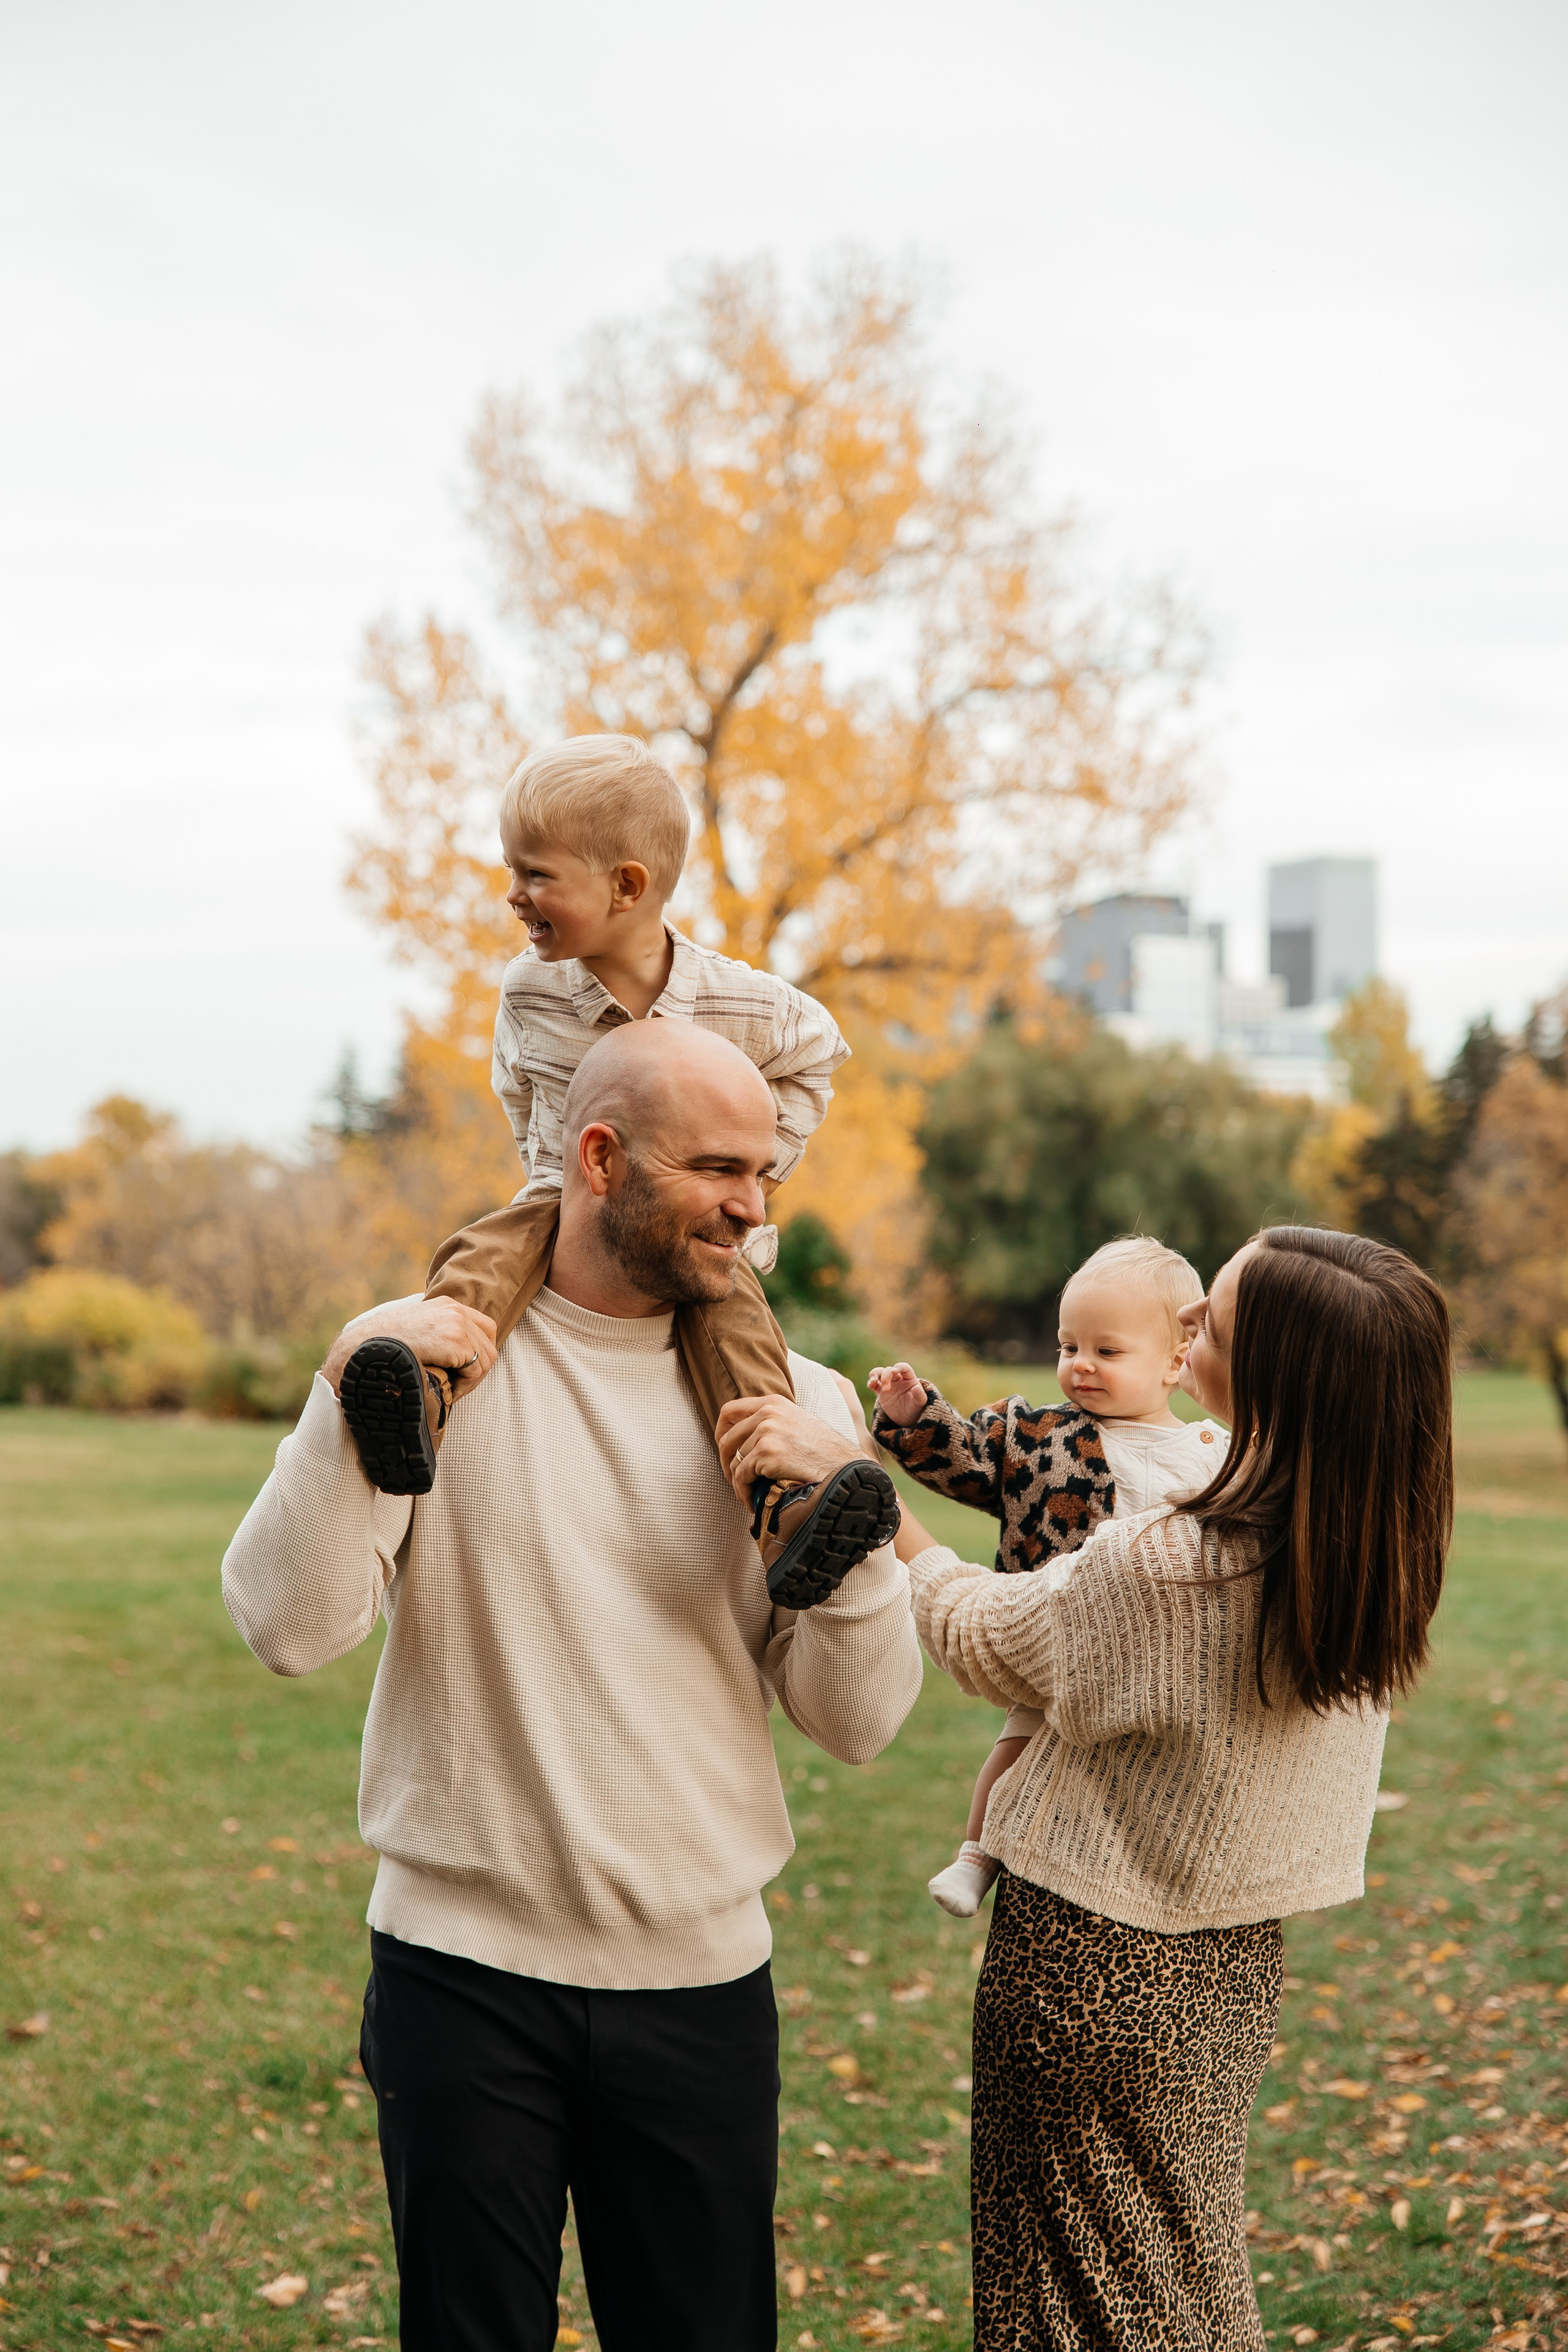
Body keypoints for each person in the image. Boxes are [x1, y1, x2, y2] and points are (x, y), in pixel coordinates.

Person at [222, 1021, 922, 2352]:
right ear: (599, 1159)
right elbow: (283, 1627)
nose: (753, 1206)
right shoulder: (429, 1367)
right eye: (717, 1168)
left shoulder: (798, 1402)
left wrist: (856, 1521)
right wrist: (343, 1387)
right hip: (459, 1976)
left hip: (702, 1985)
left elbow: (861, 1723)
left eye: (764, 1173)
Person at [732, 1226, 1452, 2352]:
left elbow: (979, 1632)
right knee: (1182, 2275)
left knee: (1078, 2306)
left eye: (1213, 1321)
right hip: (1231, 1971)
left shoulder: (1177, 1562)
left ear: (1272, 1376)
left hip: (1095, 1973)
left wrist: (863, 1484)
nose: (1189, 1325)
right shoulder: (1369, 1541)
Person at [336, 733, 869, 1607]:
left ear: (626, 885)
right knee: (482, 1254)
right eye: (512, 871)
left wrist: (753, 1177)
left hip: (685, 1222)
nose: (515, 894)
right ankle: (417, 1393)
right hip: (564, 1190)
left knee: (734, 1321)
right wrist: (546, 1169)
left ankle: (785, 1498)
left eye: (537, 874)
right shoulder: (530, 989)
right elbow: (515, 1080)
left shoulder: (743, 1003)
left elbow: (817, 1057)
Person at [867, 1235, 1226, 1915]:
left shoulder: (1212, 1456)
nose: (1080, 1365)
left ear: (1175, 1361)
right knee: (1018, 1745)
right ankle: (977, 1856)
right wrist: (914, 1416)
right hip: (1056, 1638)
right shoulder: (1036, 1437)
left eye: (1106, 1351)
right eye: (1068, 1347)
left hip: (1162, 1664)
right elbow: (966, 1458)